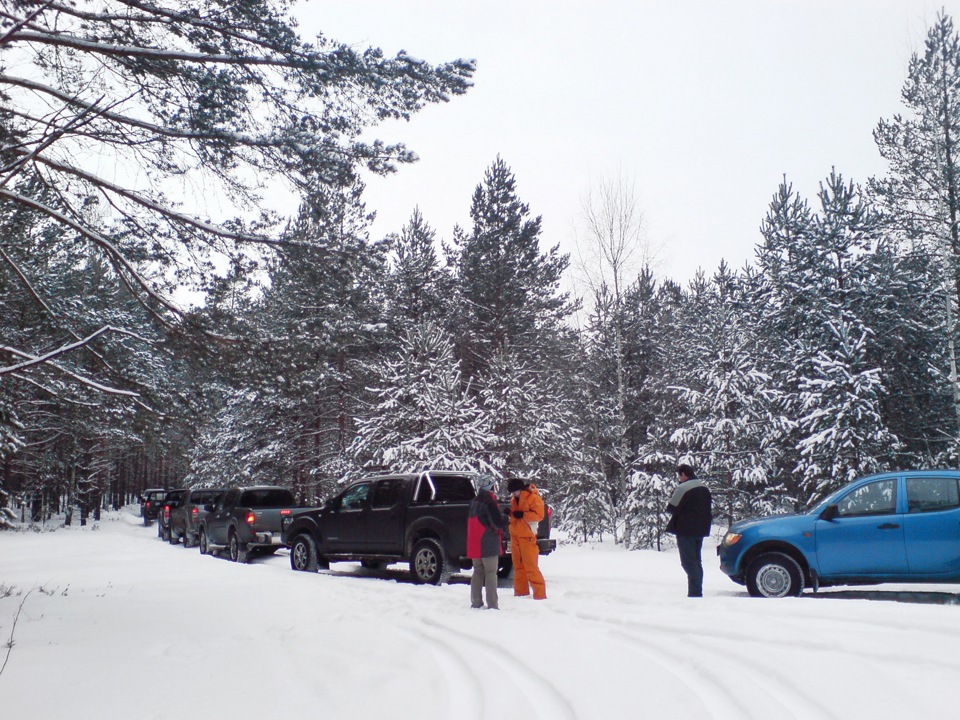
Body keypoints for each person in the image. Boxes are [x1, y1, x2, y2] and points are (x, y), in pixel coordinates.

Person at [665, 463, 713, 598]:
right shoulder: (704, 488)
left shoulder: (683, 488)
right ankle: (697, 590)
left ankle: (694, 593)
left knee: (688, 562)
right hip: (701, 529)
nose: (679, 478)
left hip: (685, 529)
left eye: (679, 476)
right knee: (697, 561)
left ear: (683, 475)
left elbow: (671, 508)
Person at [467, 473, 509, 609]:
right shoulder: (489, 502)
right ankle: (492, 604)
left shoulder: (474, 501)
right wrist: (505, 518)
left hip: (474, 542)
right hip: (488, 542)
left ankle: (476, 602)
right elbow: (496, 524)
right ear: (490, 486)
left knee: (478, 571)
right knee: (491, 573)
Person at [506, 477, 546, 600]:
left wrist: (523, 515)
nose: (513, 494)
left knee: (531, 566)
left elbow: (539, 516)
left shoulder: (533, 498)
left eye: (514, 492)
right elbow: (516, 518)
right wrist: (511, 514)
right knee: (518, 566)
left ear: (520, 489)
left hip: (527, 536)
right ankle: (520, 594)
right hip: (516, 535)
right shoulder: (514, 500)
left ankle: (540, 595)